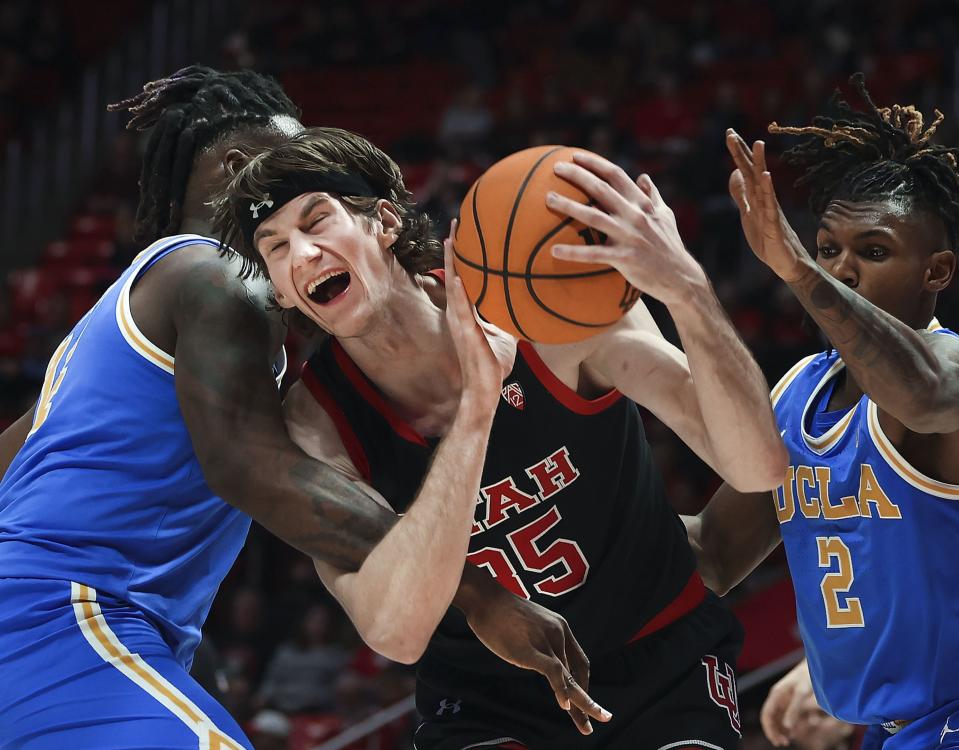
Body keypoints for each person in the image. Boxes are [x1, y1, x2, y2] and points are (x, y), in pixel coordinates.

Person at [0, 66, 602, 749]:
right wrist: (483, 597)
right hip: (64, 617)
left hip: (63, 627)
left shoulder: (122, 311)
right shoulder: (218, 277)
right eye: (288, 153)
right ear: (234, 164)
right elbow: (251, 468)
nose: (303, 172)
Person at [213, 126, 788, 749]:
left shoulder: (543, 305)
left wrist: (686, 289)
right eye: (275, 247)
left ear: (383, 221)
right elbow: (395, 632)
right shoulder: (315, 423)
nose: (301, 255)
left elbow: (756, 467)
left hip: (660, 651)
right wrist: (475, 415)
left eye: (317, 222)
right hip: (485, 698)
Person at [683, 73, 959, 749]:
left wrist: (799, 271)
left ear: (937, 272)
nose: (840, 270)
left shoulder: (945, 372)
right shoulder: (799, 388)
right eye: (829, 250)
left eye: (872, 252)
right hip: (886, 728)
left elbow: (922, 398)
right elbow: (714, 554)